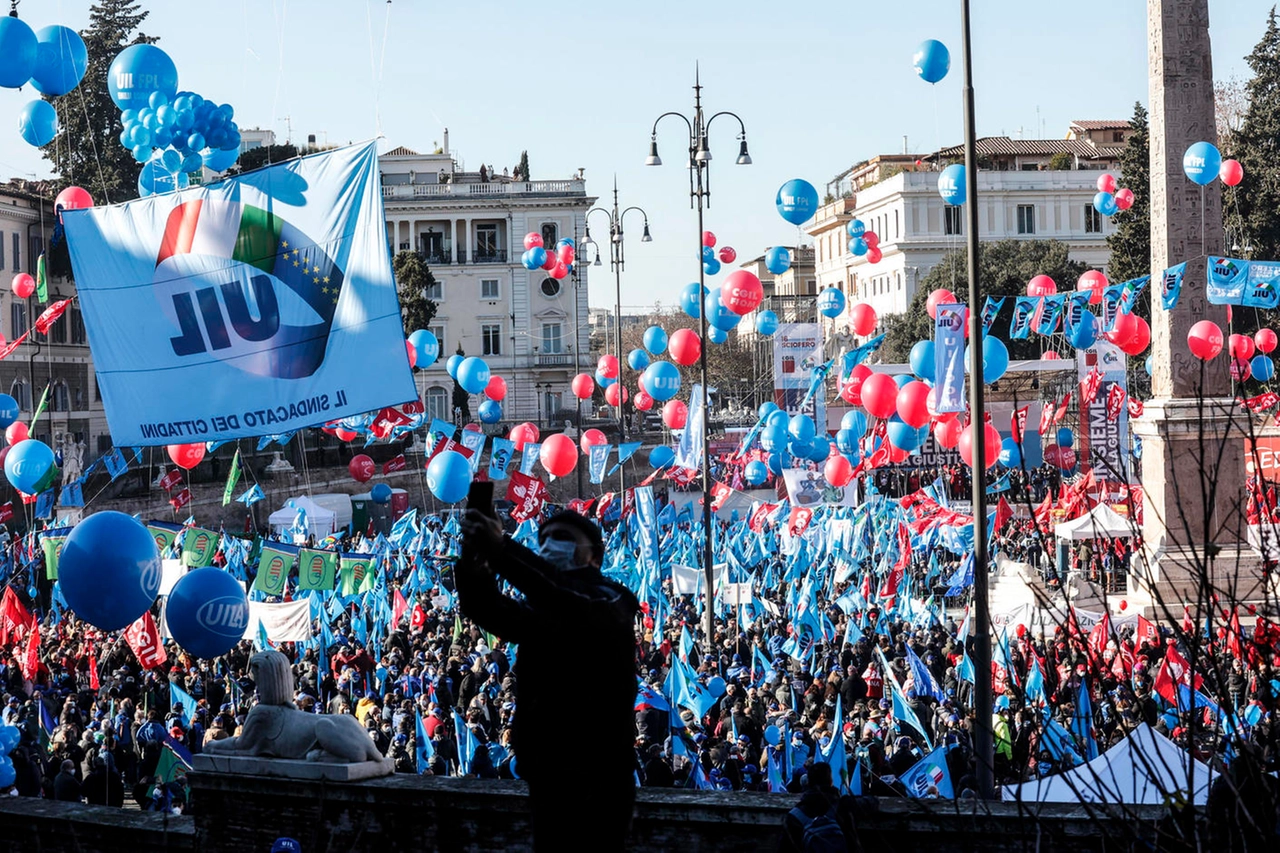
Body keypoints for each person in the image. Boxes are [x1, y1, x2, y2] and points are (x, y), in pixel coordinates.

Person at [458, 508, 639, 852]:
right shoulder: (544, 613)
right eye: (543, 540)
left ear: (595, 555)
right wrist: (474, 563)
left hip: (598, 779)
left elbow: (562, 593)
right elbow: (488, 609)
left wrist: (502, 548)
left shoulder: (611, 600)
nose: (550, 545)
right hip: (547, 774)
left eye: (563, 538)